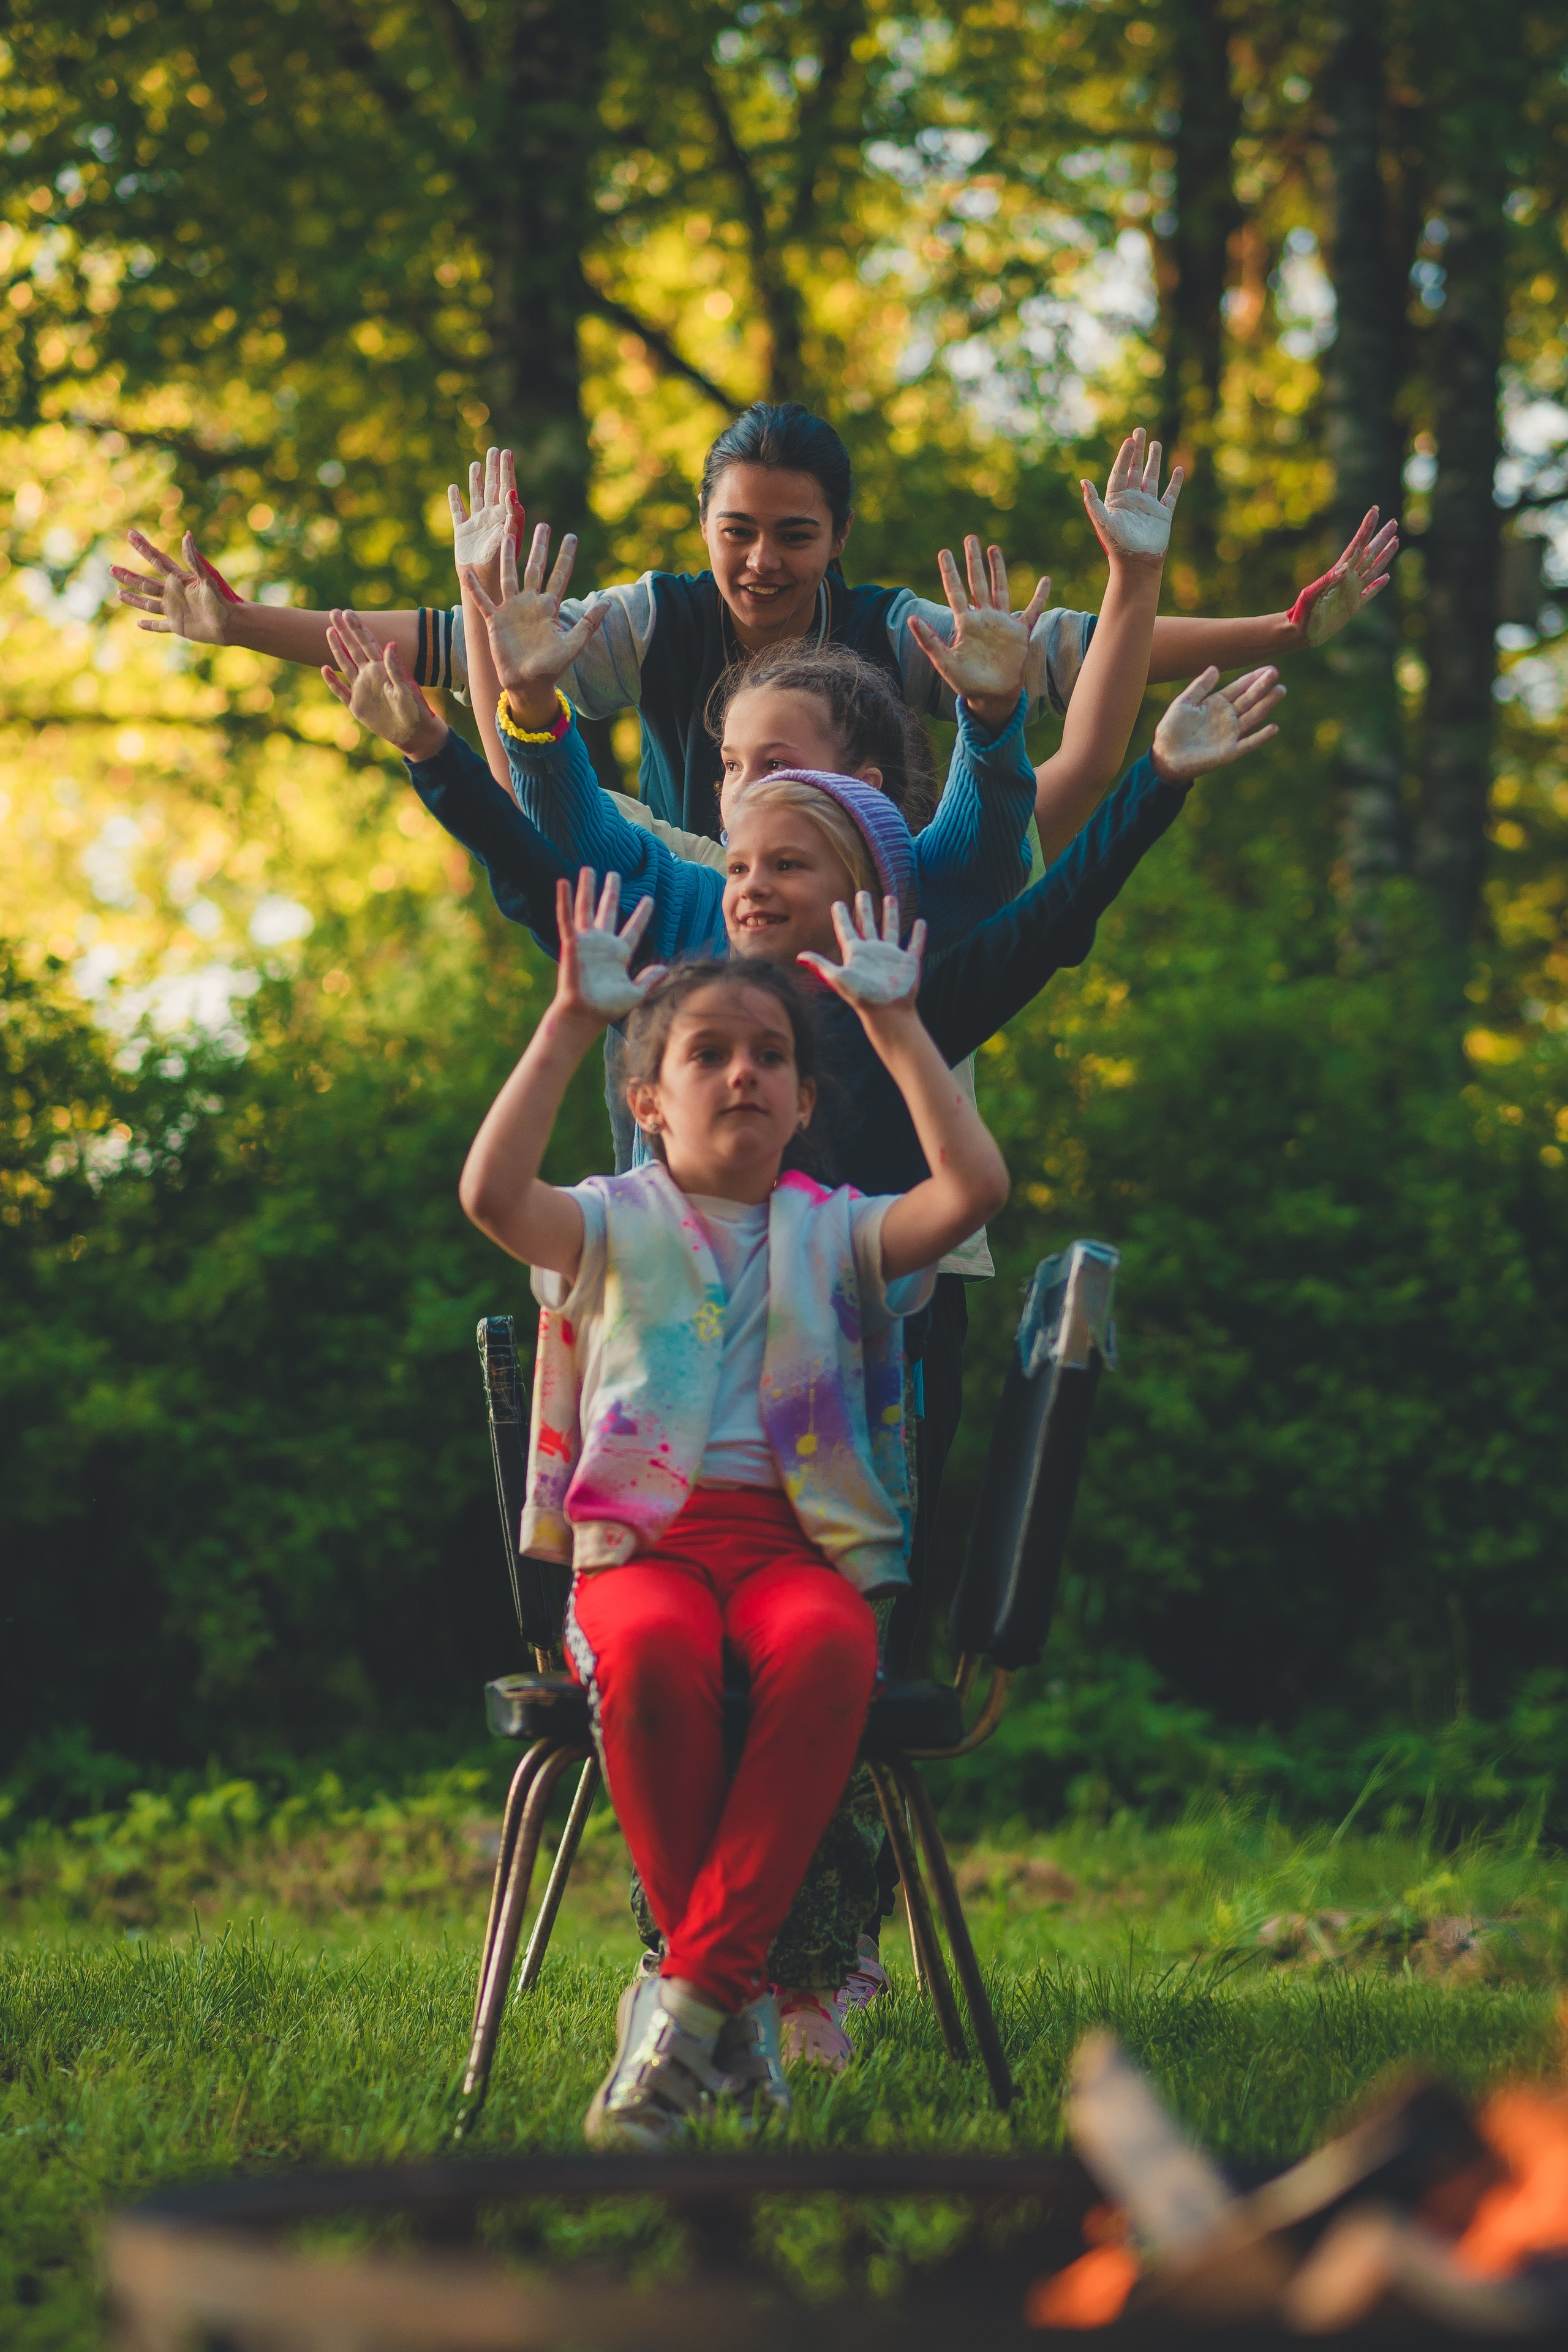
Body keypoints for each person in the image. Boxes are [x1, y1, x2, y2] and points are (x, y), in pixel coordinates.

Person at [322, 607, 1283, 2061]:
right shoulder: (685, 1012)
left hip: (859, 1365)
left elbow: (1047, 908)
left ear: (863, 883)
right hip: (664, 1414)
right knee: (677, 1661)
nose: (749, 882)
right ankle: (714, 1977)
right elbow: (542, 881)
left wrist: (1148, 778)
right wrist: (447, 752)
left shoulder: (906, 1005)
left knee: (830, 1650)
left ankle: (800, 1971)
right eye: (741, 846)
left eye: (787, 860)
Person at [457, 865, 1011, 2144]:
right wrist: (569, 1023)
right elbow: (492, 1197)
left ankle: (690, 2004)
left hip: (794, 1556)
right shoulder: (606, 1224)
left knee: (828, 1648)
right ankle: (732, 2012)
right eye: (708, 1054)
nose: (744, 1074)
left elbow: (972, 1192)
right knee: (650, 1657)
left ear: (808, 1101)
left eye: (770, 1057)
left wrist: (896, 1027)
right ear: (648, 1103)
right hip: (643, 1552)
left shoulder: (839, 1232)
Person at [112, 401, 1395, 842]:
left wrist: (1278, 633)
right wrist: (245, 624)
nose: (761, 561)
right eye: (736, 532)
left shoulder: (891, 631)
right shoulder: (649, 625)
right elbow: (452, 648)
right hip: (692, 925)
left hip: (864, 930)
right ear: (701, 529)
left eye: (793, 535)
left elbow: (1085, 676)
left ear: (836, 538)